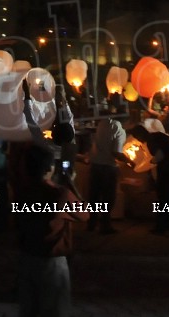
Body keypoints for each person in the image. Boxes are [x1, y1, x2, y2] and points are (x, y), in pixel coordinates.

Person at [15, 143, 89, 317]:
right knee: (55, 309)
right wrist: (71, 184)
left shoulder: (22, 191)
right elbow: (84, 215)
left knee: (29, 308)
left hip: (26, 256)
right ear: (49, 167)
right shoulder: (58, 194)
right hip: (51, 260)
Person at [131, 123, 169, 234]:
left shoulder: (151, 141)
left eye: (137, 137)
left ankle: (161, 227)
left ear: (140, 134)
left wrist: (151, 161)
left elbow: (160, 155)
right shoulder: (158, 135)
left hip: (166, 170)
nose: (138, 140)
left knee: (163, 197)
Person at [86, 116, 126, 234]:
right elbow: (116, 152)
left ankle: (91, 223)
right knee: (108, 198)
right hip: (108, 167)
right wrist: (130, 161)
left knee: (94, 196)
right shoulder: (119, 129)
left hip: (95, 165)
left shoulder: (102, 123)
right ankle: (105, 225)